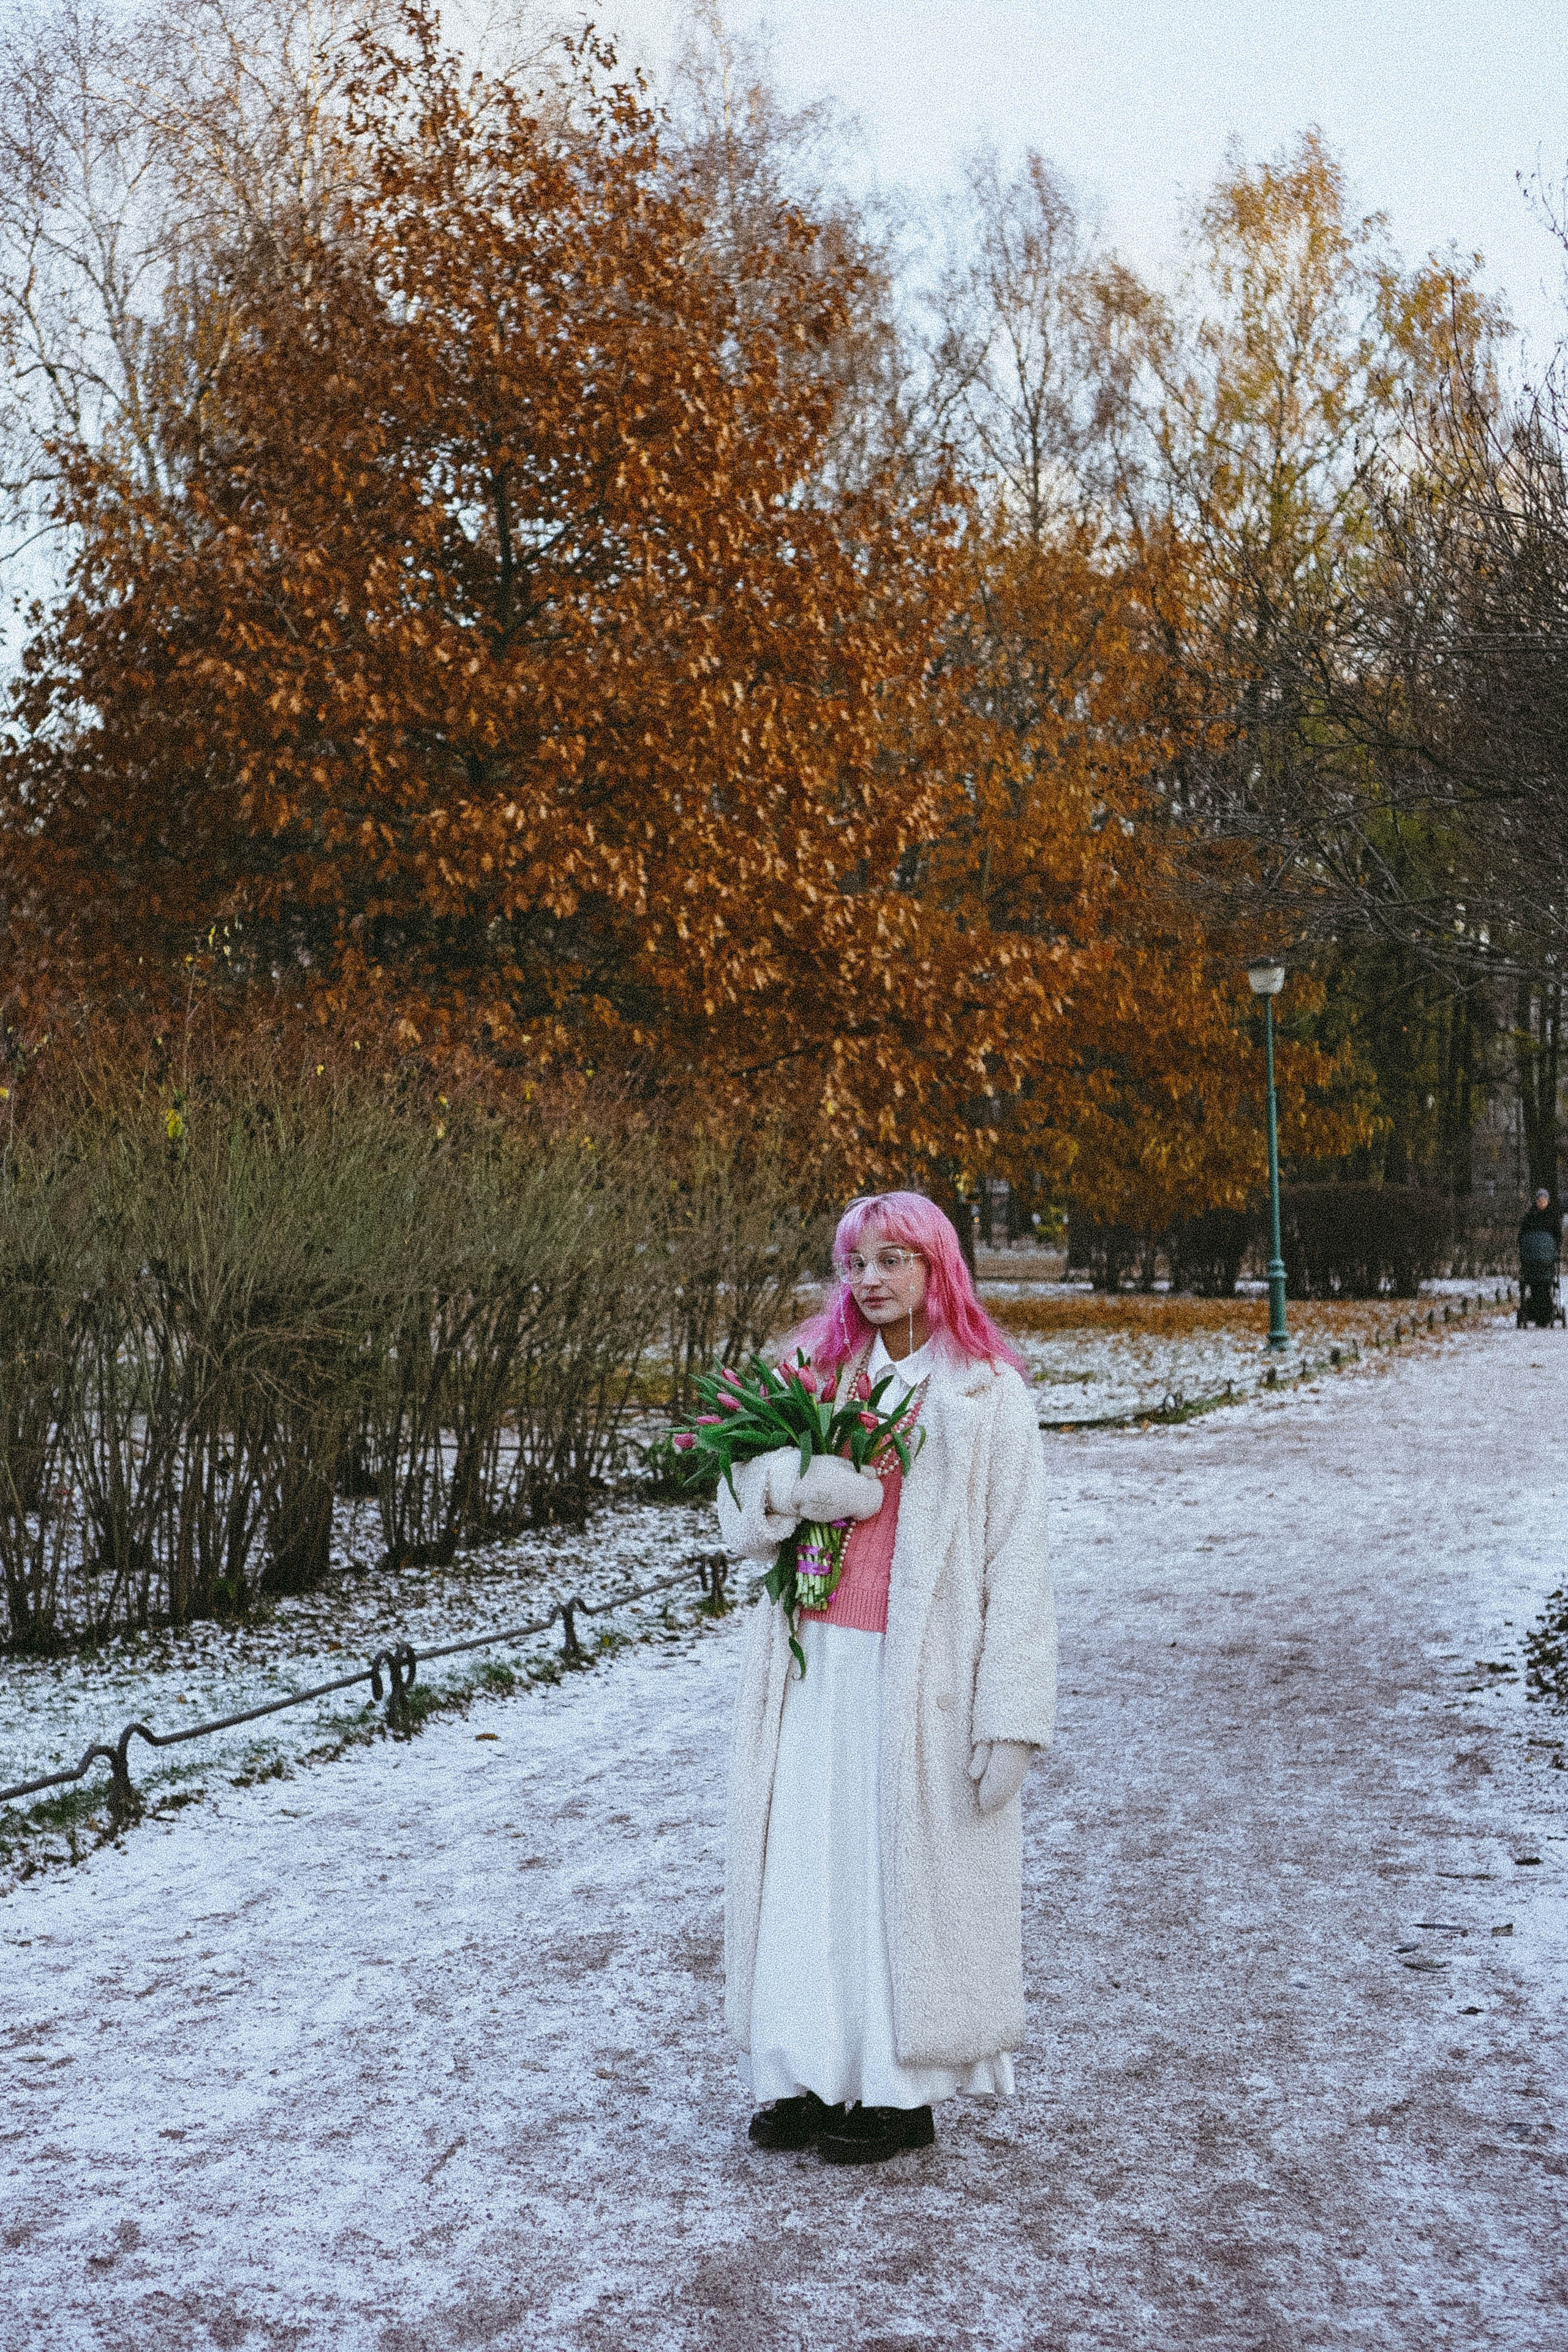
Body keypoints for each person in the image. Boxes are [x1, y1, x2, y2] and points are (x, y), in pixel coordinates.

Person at [717, 1189, 1055, 2166]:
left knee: (887, 1873)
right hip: (811, 1665)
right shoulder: (811, 1375)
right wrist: (790, 1486)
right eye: (856, 1264)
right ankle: (802, 2073)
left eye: (892, 1261)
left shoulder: (987, 1395)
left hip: (922, 1679)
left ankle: (895, 2093)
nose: (869, 1282)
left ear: (937, 1266)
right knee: (805, 1868)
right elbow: (734, 1506)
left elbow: (1017, 1566)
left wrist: (1012, 1718)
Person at [1518, 1186, 1562, 1330]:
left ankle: (1545, 1314)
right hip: (1532, 1261)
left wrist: (1555, 1249)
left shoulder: (1552, 1217)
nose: (1542, 1203)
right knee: (1535, 1287)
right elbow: (1522, 1236)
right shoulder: (1530, 1216)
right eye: (1540, 1200)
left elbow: (1558, 1236)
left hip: (1546, 1261)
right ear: (1536, 1201)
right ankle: (1535, 1313)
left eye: (1544, 1200)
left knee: (1545, 1287)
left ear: (1548, 1201)